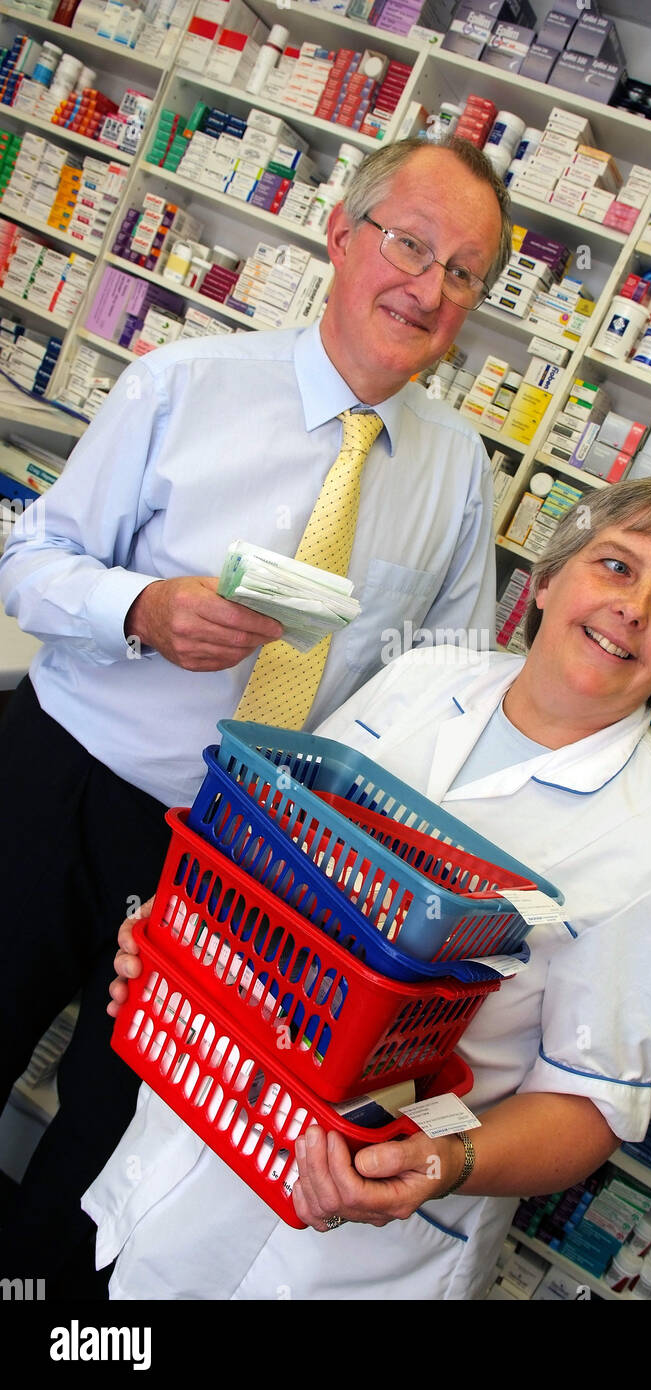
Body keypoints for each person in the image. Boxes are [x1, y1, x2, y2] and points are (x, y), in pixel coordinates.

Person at [0, 136, 511, 1295]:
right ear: (340, 237)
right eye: (407, 245)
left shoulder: (456, 468)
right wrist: (142, 607)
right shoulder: (183, 382)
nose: (426, 289)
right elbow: (28, 561)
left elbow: (444, 678)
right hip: (62, 780)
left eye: (462, 274)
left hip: (240, 870)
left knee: (116, 1137)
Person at [87, 476, 651, 1300]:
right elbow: (269, 866)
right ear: (545, 580)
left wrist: (441, 1160)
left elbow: (590, 1106)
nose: (633, 606)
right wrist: (169, 948)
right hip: (206, 1111)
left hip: (343, 1233)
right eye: (615, 565)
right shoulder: (424, 675)